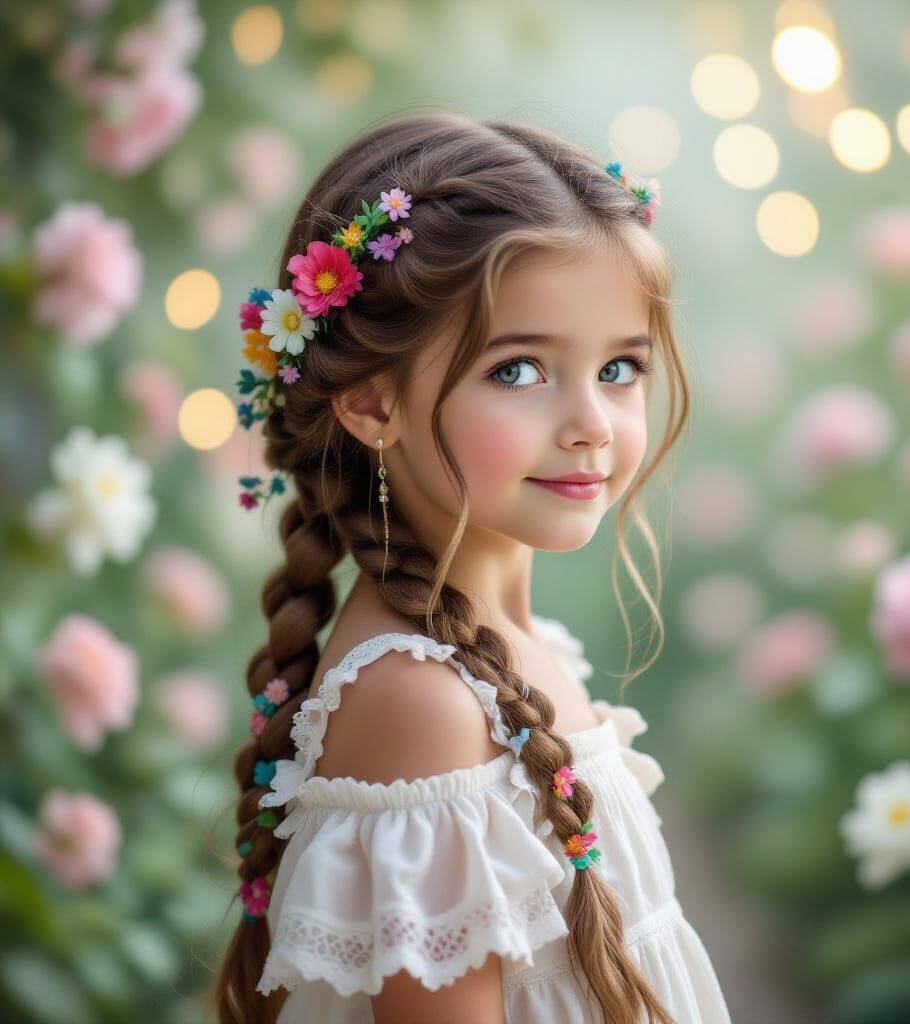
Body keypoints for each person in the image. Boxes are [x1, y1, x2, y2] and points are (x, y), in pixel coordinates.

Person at [210, 107, 732, 1024]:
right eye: (520, 371)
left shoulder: (518, 650)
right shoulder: (422, 708)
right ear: (371, 403)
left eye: (620, 368)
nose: (593, 426)